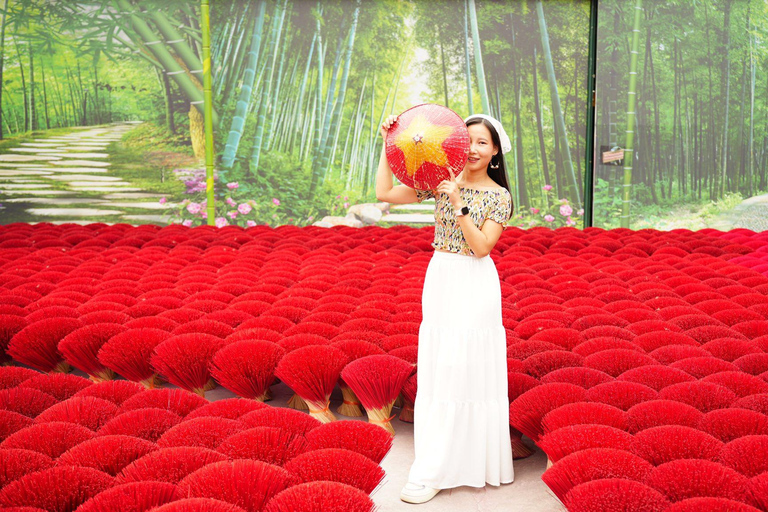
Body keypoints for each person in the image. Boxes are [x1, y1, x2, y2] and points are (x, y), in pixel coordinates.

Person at [375, 112, 515, 504]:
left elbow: (482, 247)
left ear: (495, 152)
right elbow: (384, 193)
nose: (472, 148)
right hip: (441, 276)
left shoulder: (498, 196)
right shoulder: (440, 183)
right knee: (442, 369)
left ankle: (467, 463)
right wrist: (387, 146)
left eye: (482, 142)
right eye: (466, 139)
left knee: (466, 367)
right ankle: (436, 463)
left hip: (474, 281)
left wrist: (458, 204)